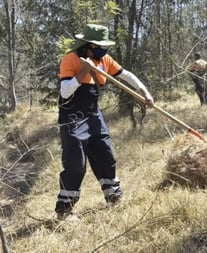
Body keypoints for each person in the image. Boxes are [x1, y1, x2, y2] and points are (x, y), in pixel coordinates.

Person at [55, 24, 154, 219]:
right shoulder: (71, 59)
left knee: (106, 154)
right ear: (87, 45)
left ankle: (114, 197)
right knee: (76, 163)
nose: (103, 50)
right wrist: (83, 72)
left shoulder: (103, 60)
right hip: (72, 118)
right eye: (99, 46)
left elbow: (125, 75)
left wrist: (144, 91)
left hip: (93, 114)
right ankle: (64, 210)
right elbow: (65, 91)